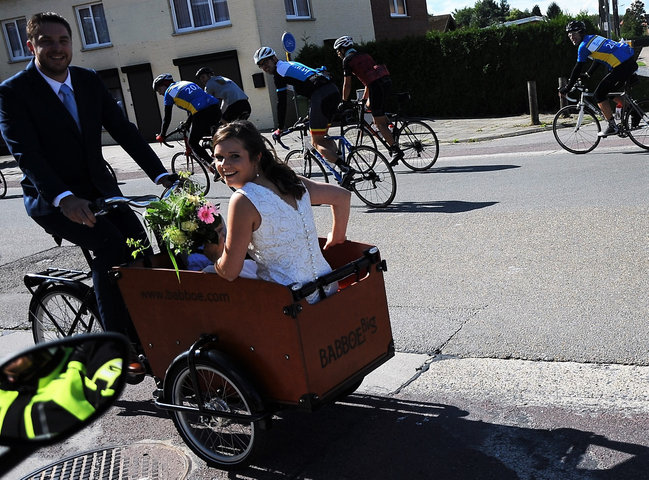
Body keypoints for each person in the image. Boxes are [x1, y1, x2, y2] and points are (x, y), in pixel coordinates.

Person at [0, 12, 174, 371]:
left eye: (63, 41)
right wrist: (63, 198)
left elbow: (124, 132)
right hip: (54, 199)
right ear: (31, 46)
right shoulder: (14, 93)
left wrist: (161, 176)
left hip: (100, 190)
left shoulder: (88, 81)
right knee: (109, 245)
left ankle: (148, 328)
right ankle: (117, 345)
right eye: (47, 41)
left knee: (139, 245)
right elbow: (26, 154)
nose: (57, 48)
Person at [206, 121, 351, 304]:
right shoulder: (292, 181)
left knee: (208, 272)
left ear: (256, 157)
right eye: (219, 157)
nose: (224, 165)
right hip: (327, 286)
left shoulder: (243, 200)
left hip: (288, 301)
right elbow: (342, 197)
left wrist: (214, 254)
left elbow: (229, 272)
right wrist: (337, 236)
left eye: (234, 156)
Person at [253, 47, 347, 173]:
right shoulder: (291, 64)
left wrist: (280, 128)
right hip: (332, 90)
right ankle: (339, 158)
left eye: (265, 62)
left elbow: (281, 102)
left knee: (316, 141)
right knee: (322, 135)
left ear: (274, 58)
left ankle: (345, 168)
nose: (264, 67)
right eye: (260, 66)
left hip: (320, 96)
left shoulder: (279, 73)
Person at [559, 20, 638, 137]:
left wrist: (567, 88)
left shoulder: (583, 47)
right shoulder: (593, 38)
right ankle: (632, 110)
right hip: (627, 62)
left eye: (573, 34)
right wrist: (588, 74)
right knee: (609, 93)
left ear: (580, 32)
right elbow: (598, 58)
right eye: (569, 34)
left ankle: (612, 126)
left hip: (622, 66)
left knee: (599, 95)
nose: (571, 37)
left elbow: (577, 68)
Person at [333, 35, 403, 165]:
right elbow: (369, 80)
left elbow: (347, 84)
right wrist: (364, 99)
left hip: (377, 87)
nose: (338, 54)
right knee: (369, 107)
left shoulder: (347, 60)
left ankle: (395, 150)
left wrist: (343, 101)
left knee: (378, 122)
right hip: (385, 83)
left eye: (338, 50)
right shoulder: (364, 55)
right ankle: (392, 128)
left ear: (343, 49)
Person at [153, 73, 222, 167]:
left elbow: (167, 117)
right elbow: (193, 104)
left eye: (159, 90)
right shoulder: (185, 83)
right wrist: (188, 123)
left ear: (165, 85)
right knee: (210, 134)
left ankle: (214, 165)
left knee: (192, 142)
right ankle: (218, 150)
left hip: (201, 112)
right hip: (215, 107)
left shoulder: (169, 92)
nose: (160, 93)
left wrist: (162, 135)